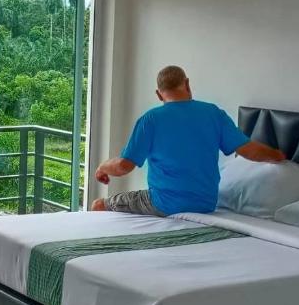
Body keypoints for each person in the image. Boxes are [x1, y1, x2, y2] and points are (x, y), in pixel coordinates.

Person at [92, 65, 285, 216]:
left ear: (159, 94)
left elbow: (124, 166)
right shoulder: (213, 114)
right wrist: (278, 155)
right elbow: (249, 150)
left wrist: (102, 168)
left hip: (163, 204)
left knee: (99, 204)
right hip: (205, 205)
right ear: (187, 84)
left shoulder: (151, 119)